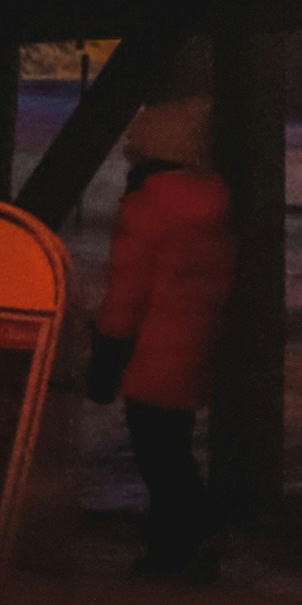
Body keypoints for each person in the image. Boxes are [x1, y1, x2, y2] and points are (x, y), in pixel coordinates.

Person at [85, 92, 235, 580]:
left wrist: (109, 349)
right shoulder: (213, 201)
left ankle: (180, 539)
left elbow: (129, 287)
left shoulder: (149, 208)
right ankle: (189, 532)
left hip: (152, 350)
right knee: (172, 446)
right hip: (192, 345)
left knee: (159, 457)